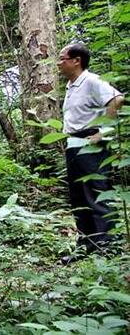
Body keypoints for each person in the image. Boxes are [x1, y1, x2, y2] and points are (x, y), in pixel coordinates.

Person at [57, 43, 124, 264]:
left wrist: (103, 132)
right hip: (74, 144)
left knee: (95, 193)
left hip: (91, 145)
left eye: (62, 58)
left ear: (77, 60)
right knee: (78, 197)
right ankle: (86, 245)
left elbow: (117, 98)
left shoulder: (91, 81)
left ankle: (107, 246)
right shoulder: (71, 85)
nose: (59, 62)